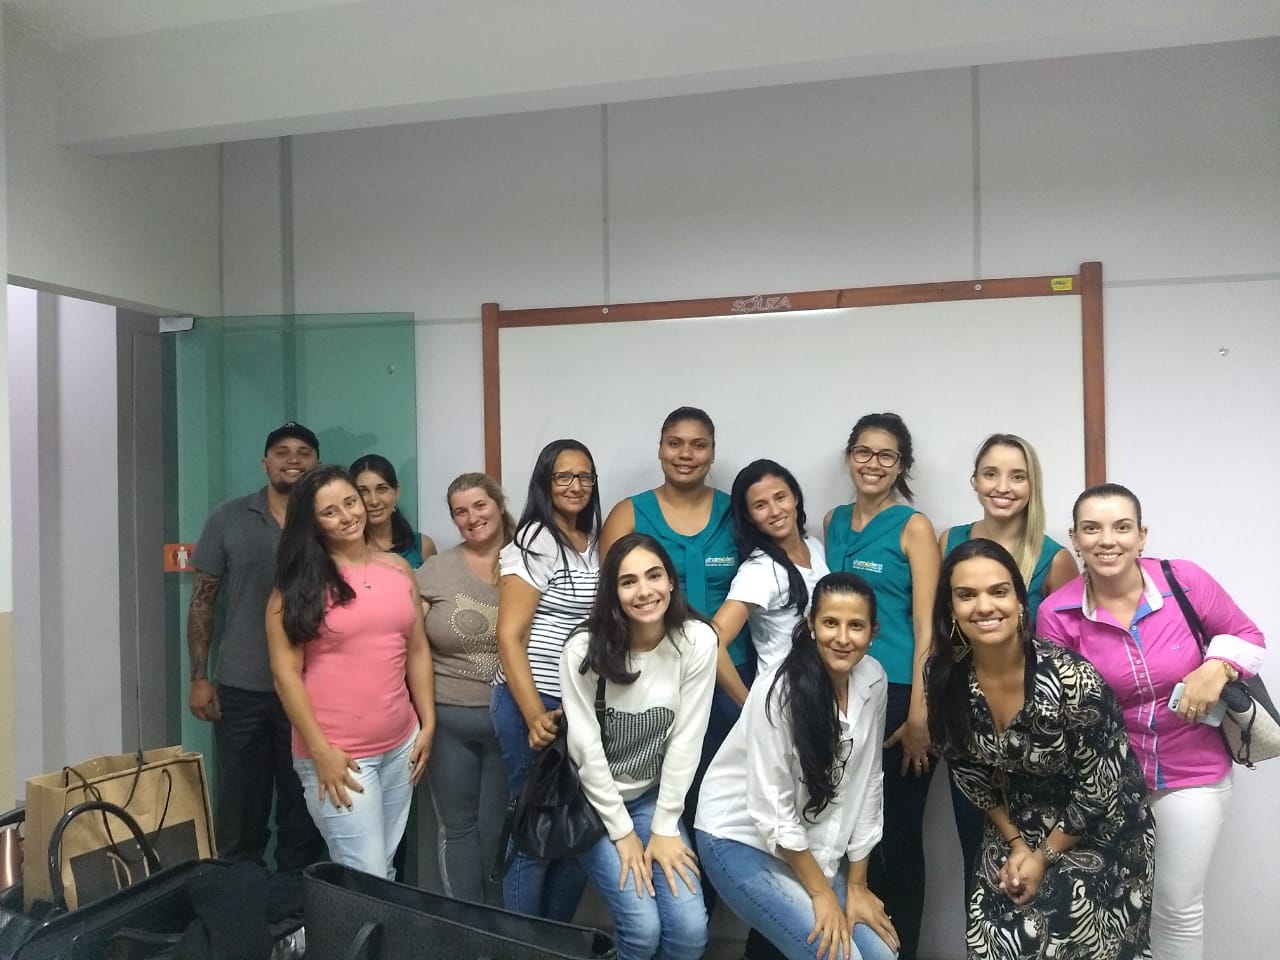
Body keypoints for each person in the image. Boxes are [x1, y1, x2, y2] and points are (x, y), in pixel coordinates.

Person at [1037, 483, 1266, 960]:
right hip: (1109, 787)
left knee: (1176, 908)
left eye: (1121, 527)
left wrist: (1216, 667)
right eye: (1091, 528)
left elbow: (1248, 635)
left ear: (1142, 535)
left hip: (1192, 775)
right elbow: (1060, 708)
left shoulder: (1184, 581)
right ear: (1074, 538)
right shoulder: (1056, 613)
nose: (1107, 540)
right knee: (1112, 911)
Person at [926, 537, 1154, 960]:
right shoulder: (944, 676)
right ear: (950, 608)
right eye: (966, 595)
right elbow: (966, 770)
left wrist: (1043, 857)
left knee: (1070, 938)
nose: (984, 606)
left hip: (1100, 826)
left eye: (998, 591)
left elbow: (1099, 788)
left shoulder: (1072, 681)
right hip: (1017, 820)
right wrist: (1015, 843)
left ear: (1019, 601)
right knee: (992, 938)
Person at [697, 572, 899, 960]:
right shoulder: (778, 690)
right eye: (830, 623)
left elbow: (869, 781)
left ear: (873, 631)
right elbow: (772, 811)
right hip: (739, 837)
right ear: (811, 625)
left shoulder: (873, 679)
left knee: (882, 956)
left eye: (856, 626)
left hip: (805, 841)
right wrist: (821, 893)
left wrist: (856, 885)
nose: (842, 638)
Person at [266, 464, 436, 878]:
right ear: (312, 523)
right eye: (330, 511)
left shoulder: (398, 569)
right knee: (367, 875)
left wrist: (428, 723)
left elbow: (416, 649)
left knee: (384, 870)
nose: (347, 516)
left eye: (350, 502)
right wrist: (320, 751)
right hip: (338, 755)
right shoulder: (295, 589)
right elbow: (285, 676)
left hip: (400, 745)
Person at [561, 533, 717, 960]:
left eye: (654, 576)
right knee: (643, 931)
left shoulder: (697, 640)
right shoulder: (582, 649)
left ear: (671, 581)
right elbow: (585, 748)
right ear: (612, 592)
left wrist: (664, 826)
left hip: (652, 800)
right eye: (628, 581)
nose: (645, 591)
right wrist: (622, 831)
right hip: (591, 806)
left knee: (690, 935)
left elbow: (687, 738)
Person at [936, 434, 1077, 895]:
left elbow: (1066, 658)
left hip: (1033, 738)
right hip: (969, 729)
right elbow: (940, 629)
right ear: (974, 481)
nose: (1003, 486)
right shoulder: (950, 541)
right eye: (991, 474)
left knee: (1035, 870)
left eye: (1017, 476)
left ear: (1032, 485)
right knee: (976, 859)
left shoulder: (1055, 558)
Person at [598, 407, 752, 824]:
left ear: (712, 452)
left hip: (731, 673)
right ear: (660, 449)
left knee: (724, 796)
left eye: (698, 445)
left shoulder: (737, 512)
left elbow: (769, 574)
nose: (686, 454)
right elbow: (609, 599)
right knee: (662, 789)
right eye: (675, 443)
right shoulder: (629, 513)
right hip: (654, 675)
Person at [186, 421, 327, 871]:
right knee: (240, 816)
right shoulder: (227, 517)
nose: (293, 459)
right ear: (265, 463)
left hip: (311, 691)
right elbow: (203, 600)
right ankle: (242, 905)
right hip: (241, 690)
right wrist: (199, 677)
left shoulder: (329, 518)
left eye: (303, 451)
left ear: (317, 463)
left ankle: (297, 906)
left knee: (303, 817)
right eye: (282, 451)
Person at [822, 413, 937, 960]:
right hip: (838, 692)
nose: (873, 464)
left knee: (894, 837)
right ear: (849, 457)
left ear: (901, 465)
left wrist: (920, 713)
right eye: (863, 452)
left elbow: (928, 628)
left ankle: (900, 951)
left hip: (897, 698)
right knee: (843, 833)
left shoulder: (914, 527)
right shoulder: (833, 521)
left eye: (886, 455)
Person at [492, 438, 602, 920]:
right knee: (534, 828)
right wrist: (535, 714)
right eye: (564, 476)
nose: (576, 485)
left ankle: (555, 939)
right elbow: (509, 636)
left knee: (579, 828)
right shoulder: (536, 539)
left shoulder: (590, 540)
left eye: (585, 476)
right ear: (545, 482)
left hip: (575, 701)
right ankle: (523, 944)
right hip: (532, 698)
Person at [416, 472, 516, 905]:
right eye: (460, 512)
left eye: (479, 506)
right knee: (457, 829)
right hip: (449, 720)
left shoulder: (530, 561)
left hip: (510, 721)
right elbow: (409, 645)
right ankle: (464, 927)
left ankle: (496, 927)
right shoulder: (436, 571)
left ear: (498, 504)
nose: (472, 517)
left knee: (498, 829)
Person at [713, 459, 829, 694]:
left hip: (821, 692)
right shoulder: (759, 571)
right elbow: (713, 641)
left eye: (780, 497)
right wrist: (748, 706)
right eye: (760, 505)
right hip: (782, 697)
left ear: (795, 497)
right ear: (749, 516)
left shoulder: (814, 545)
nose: (775, 511)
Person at [349, 453, 437, 567]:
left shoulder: (422, 547)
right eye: (363, 491)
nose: (374, 501)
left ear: (396, 492)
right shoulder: (344, 551)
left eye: (382, 489)